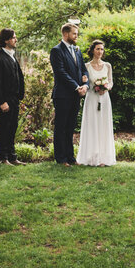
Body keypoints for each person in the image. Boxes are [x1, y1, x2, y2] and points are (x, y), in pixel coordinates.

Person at [50, 23, 87, 166]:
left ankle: (71, 157)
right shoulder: (56, 51)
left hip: (76, 95)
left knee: (70, 126)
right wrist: (76, 86)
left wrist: (85, 85)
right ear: (65, 34)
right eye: (74, 34)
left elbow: (83, 70)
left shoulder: (77, 50)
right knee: (61, 127)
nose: (76, 36)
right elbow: (60, 72)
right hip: (62, 95)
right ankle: (61, 158)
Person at [76, 39, 116, 167]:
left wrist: (106, 87)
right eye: (98, 49)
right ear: (93, 50)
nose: (100, 51)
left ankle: (103, 158)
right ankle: (90, 157)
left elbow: (111, 81)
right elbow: (84, 81)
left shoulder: (107, 65)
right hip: (92, 98)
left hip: (104, 99)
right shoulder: (86, 66)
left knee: (103, 125)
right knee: (91, 125)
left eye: (102, 49)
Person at [0, 28, 25, 166]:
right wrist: (1, 102)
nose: (16, 40)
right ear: (6, 40)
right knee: (4, 128)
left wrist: (19, 97)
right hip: (4, 100)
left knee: (12, 128)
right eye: (13, 37)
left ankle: (12, 156)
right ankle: (2, 158)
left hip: (14, 99)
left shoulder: (12, 56)